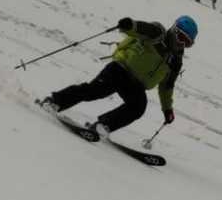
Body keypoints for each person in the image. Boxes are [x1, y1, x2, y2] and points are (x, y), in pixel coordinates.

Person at [41, 14, 198, 140]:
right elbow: (140, 28)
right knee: (94, 91)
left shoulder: (175, 61)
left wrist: (167, 109)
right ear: (173, 30)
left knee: (138, 106)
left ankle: (103, 126)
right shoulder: (157, 33)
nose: (182, 44)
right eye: (181, 37)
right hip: (120, 69)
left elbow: (167, 86)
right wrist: (130, 25)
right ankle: (55, 101)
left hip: (136, 84)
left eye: (187, 43)